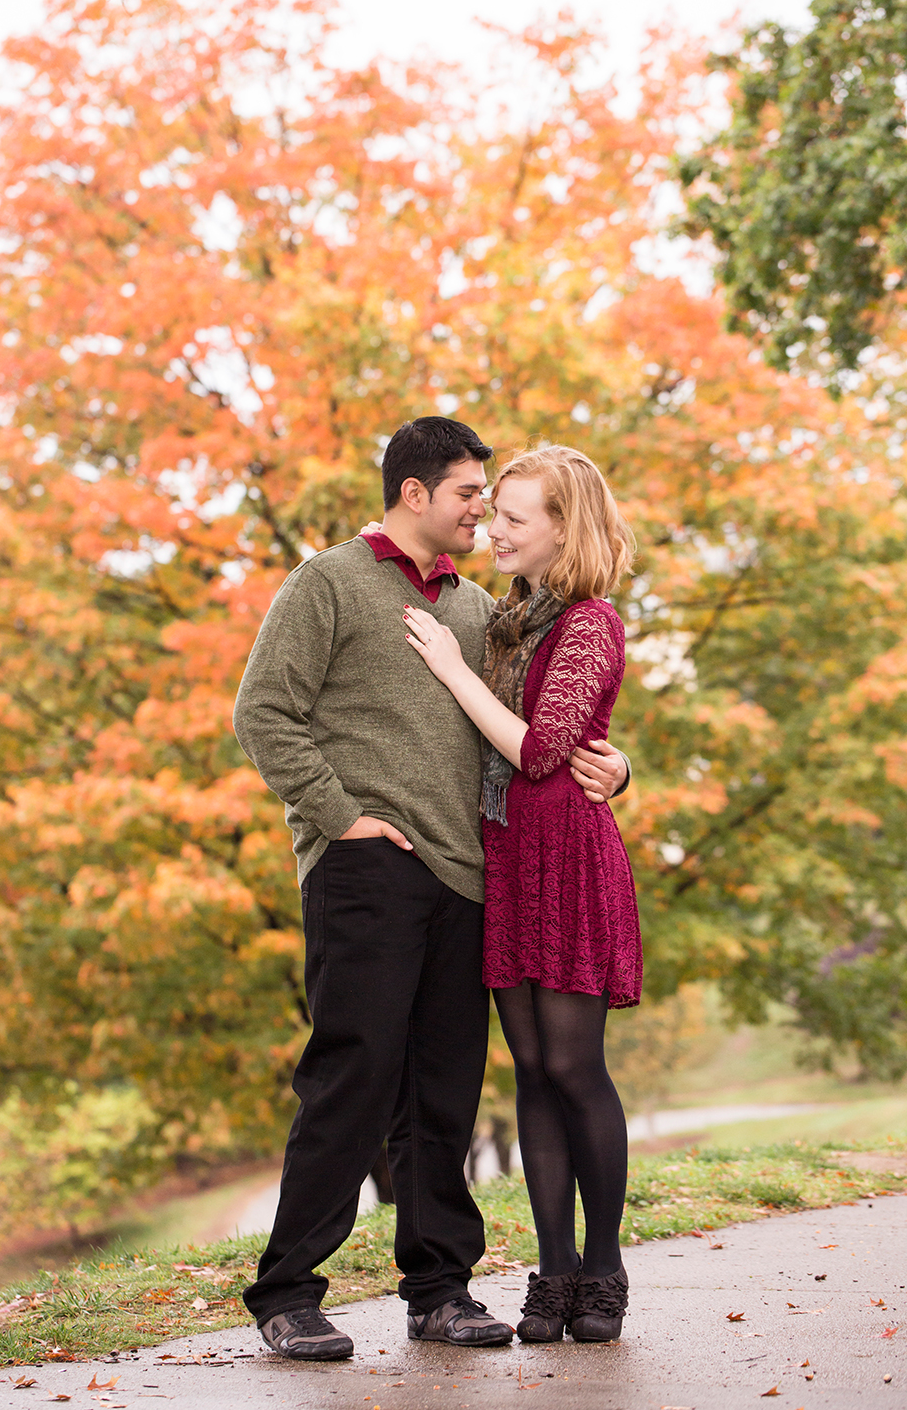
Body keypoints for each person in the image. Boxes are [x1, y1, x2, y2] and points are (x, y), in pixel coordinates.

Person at [233, 417, 629, 1362]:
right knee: (352, 1078)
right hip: (367, 865)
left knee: (444, 1092)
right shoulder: (327, 582)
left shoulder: (482, 608)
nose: (482, 512)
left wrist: (616, 772)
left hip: (469, 874)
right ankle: (288, 1292)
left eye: (493, 501)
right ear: (414, 493)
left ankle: (439, 1290)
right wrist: (340, 816)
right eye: (467, 495)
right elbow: (264, 712)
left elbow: (536, 729)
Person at [402, 443, 640, 1345]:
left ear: (561, 529)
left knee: (576, 1068)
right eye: (491, 512)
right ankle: (555, 1273)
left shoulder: (590, 624)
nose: (491, 529)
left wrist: (453, 673)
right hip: (506, 858)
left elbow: (543, 752)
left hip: (568, 863)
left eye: (513, 518)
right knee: (533, 1074)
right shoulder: (506, 619)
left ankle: (606, 1269)